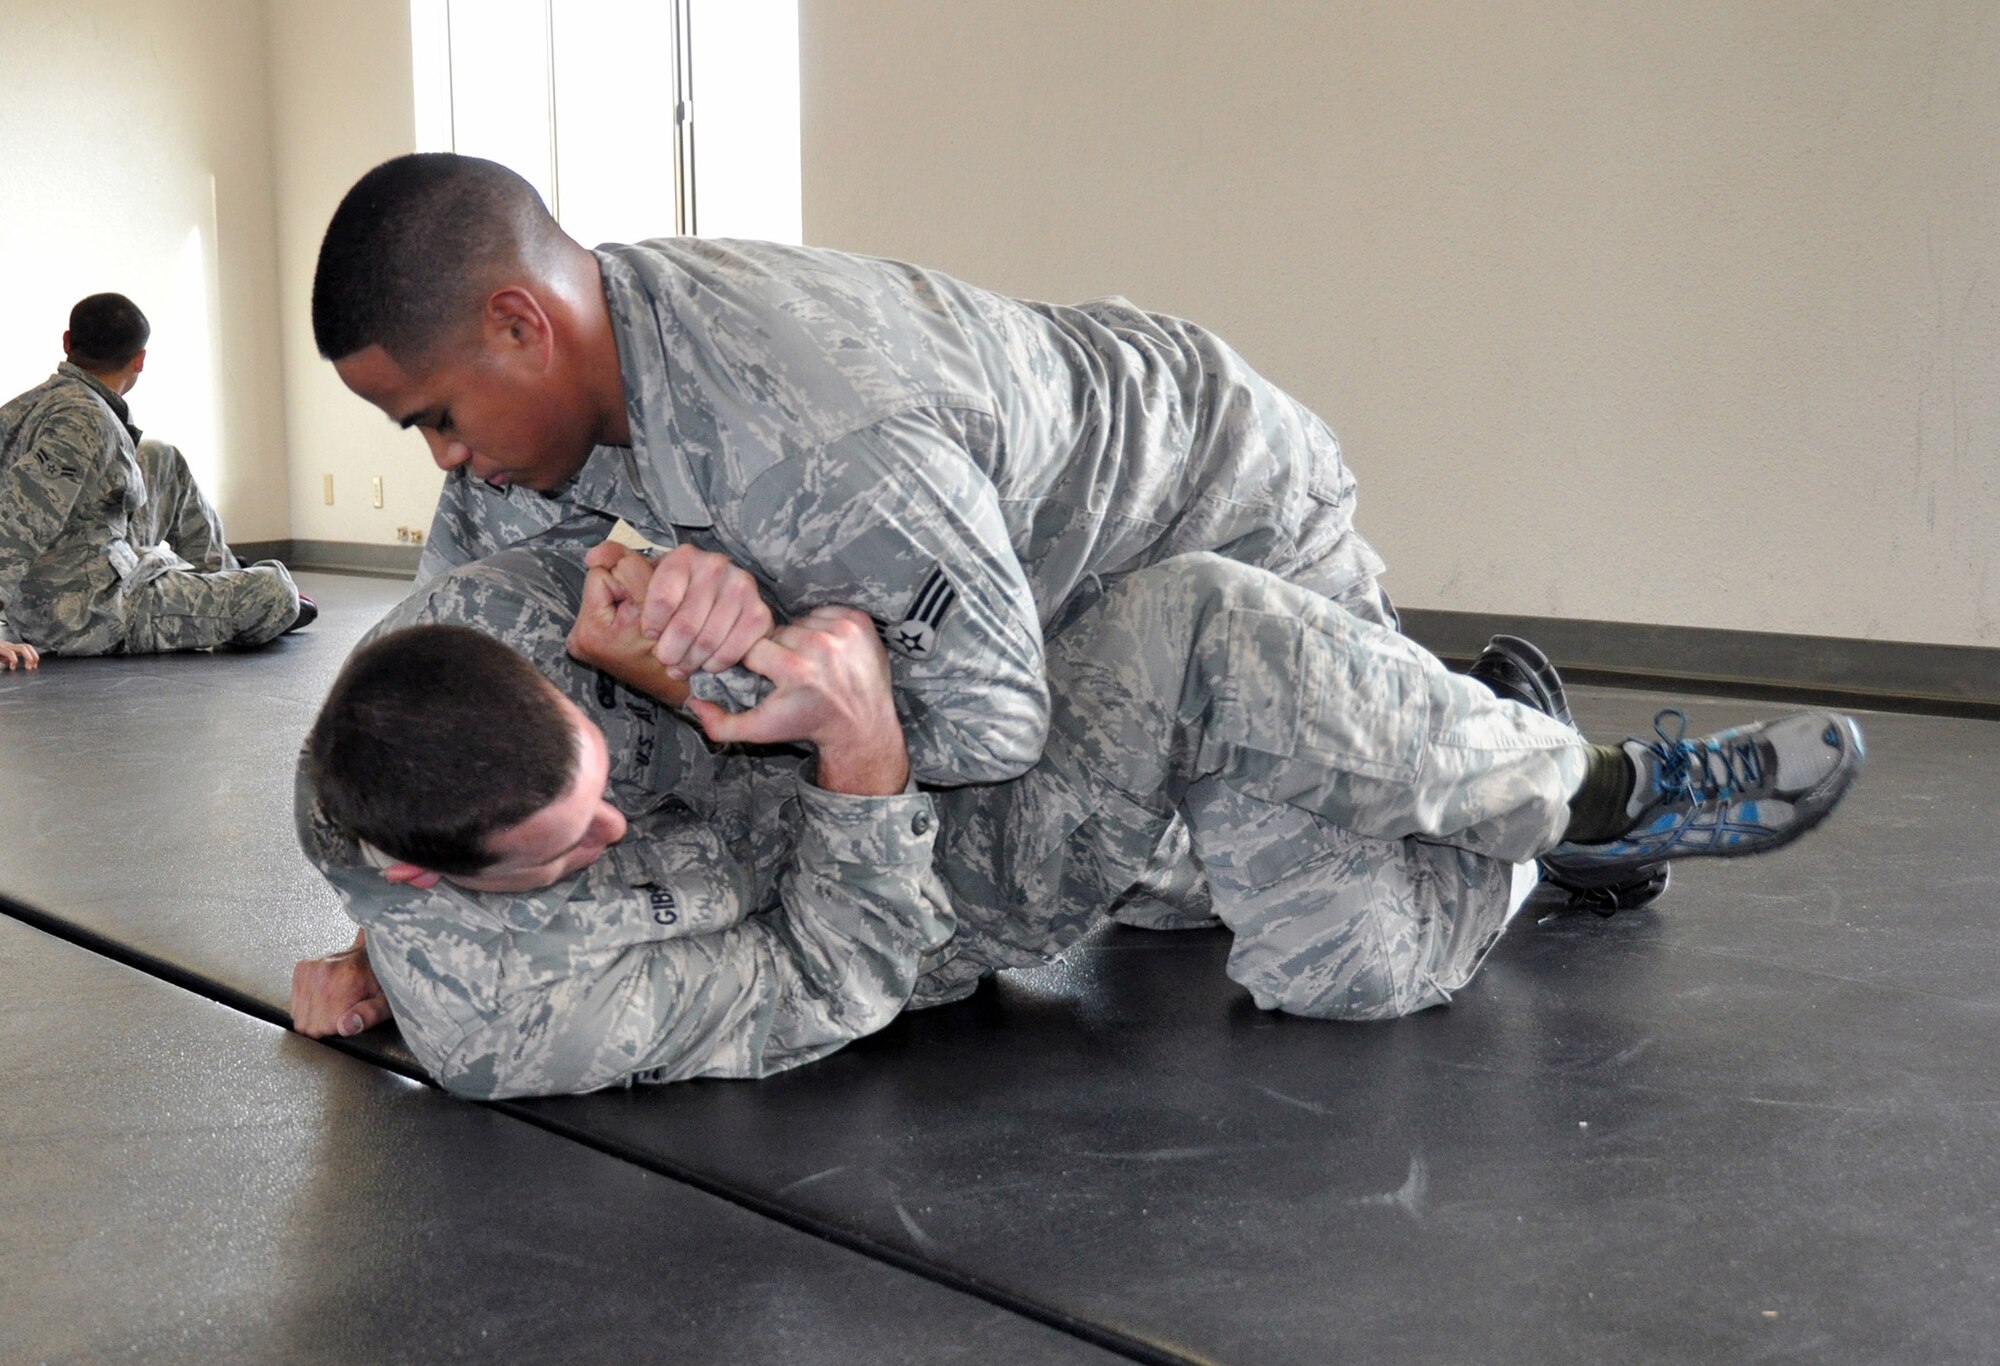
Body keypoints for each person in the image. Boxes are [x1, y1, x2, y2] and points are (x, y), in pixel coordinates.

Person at [308, 151, 1661, 912]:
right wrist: (398, 910)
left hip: (1211, 508)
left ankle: (1553, 779)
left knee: (1334, 944)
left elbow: (990, 728)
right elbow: (438, 681)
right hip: (1020, 574)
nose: (442, 461)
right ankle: (1435, 744)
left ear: (520, 326)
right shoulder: (533, 424)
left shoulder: (818, 442)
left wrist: (722, 680)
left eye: (433, 418)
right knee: (1151, 905)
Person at [291, 544, 1863, 1099]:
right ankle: (1531, 823)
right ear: (434, 874)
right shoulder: (515, 1020)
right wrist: (862, 758)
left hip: (962, 743)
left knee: (1186, 624)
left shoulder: (494, 610)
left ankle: (1604, 786)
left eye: (593, 768)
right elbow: (832, 984)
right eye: (572, 844)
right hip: (933, 892)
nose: (617, 819)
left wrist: (727, 594)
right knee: (1342, 964)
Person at [0, 293, 311, 657]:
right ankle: (233, 600)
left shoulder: (29, 405)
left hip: (85, 564)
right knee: (274, 590)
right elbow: (16, 525)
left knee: (159, 457)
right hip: (84, 617)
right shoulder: (82, 420)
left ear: (67, 342)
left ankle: (218, 576)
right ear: (140, 360)